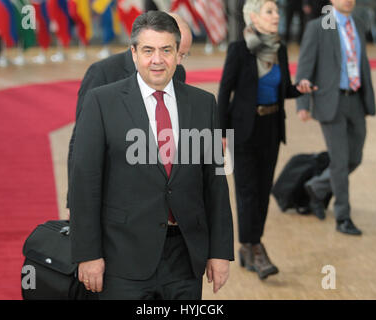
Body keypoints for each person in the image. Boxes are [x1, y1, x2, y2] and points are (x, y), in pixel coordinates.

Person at [70, 11, 234, 300]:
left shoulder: (204, 104)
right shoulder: (102, 102)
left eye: (166, 50)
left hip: (185, 259)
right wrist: (88, 254)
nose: (157, 59)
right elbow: (86, 181)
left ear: (177, 53)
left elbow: (216, 184)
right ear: (133, 53)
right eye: (148, 50)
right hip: (123, 259)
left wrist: (220, 252)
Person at [218, 0, 315, 280]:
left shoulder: (279, 49)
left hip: (271, 128)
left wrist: (300, 89)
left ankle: (249, 246)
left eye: (277, 11)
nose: (277, 16)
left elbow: (282, 89)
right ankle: (255, 246)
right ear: (254, 17)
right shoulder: (239, 50)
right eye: (270, 11)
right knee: (247, 192)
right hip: (243, 129)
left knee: (262, 191)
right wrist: (220, 132)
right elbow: (225, 92)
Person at [66, 12, 193, 211]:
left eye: (182, 54)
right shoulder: (103, 73)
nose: (177, 62)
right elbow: (80, 143)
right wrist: (77, 203)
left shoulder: (178, 72)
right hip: (116, 194)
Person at [296, 0, 376, 235]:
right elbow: (304, 68)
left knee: (355, 158)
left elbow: (360, 64)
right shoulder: (317, 28)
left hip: (356, 100)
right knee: (340, 162)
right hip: (330, 102)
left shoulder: (359, 25)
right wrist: (303, 103)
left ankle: (315, 187)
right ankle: (343, 217)